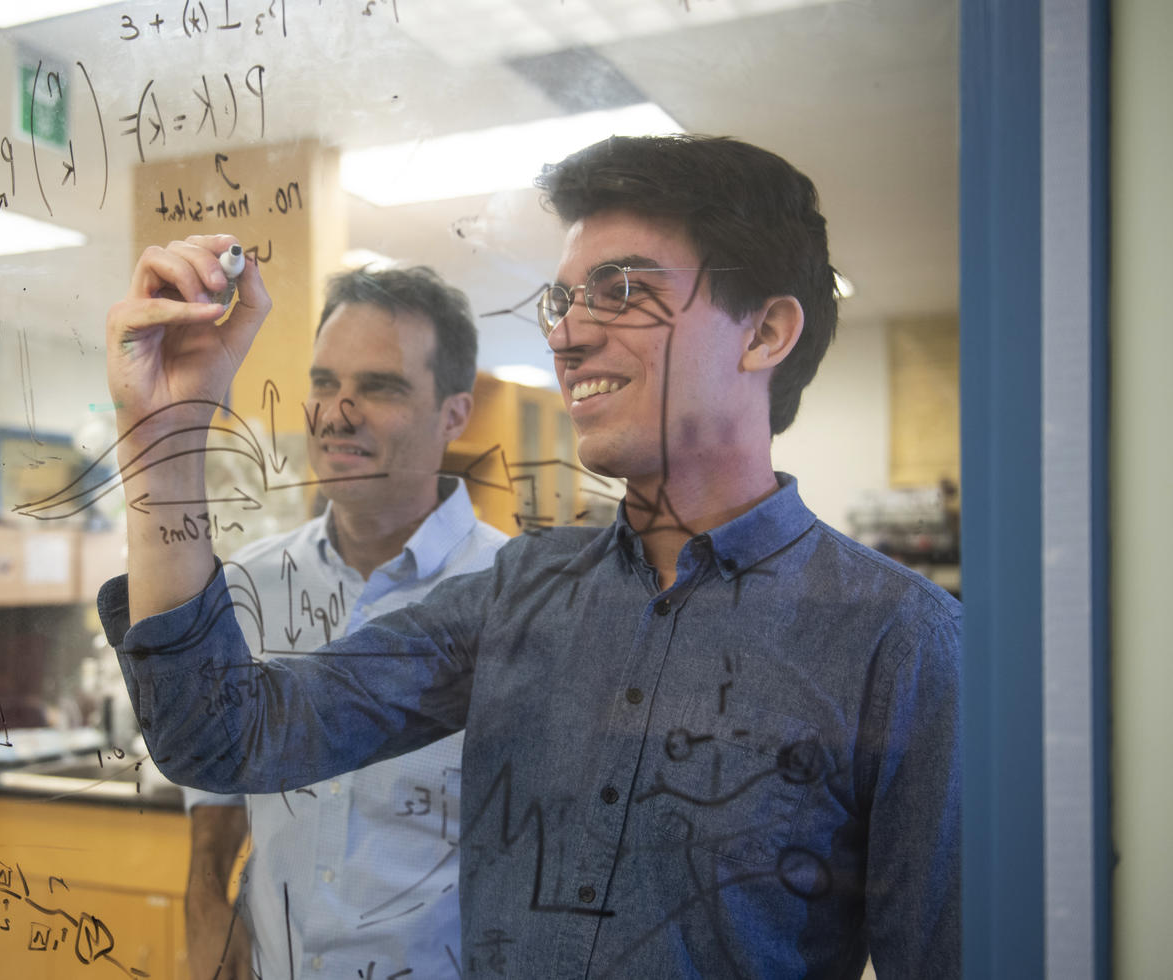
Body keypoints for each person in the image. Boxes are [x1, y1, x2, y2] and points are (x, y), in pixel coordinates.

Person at [100, 134, 962, 978]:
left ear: (764, 333)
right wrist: (166, 433)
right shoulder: (517, 593)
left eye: (621, 289)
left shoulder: (901, 643)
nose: (568, 334)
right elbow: (221, 734)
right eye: (562, 301)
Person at [148, 264, 506, 979]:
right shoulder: (248, 583)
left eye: (380, 387)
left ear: (455, 414)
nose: (338, 412)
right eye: (323, 383)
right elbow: (218, 778)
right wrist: (205, 904)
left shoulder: (515, 598)